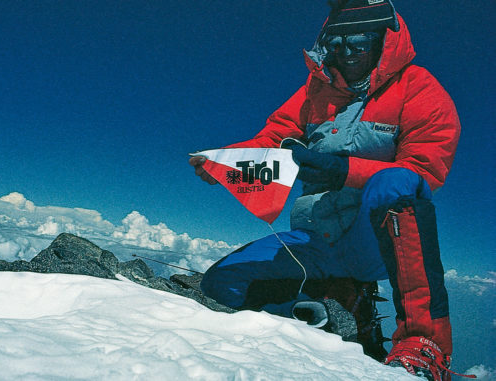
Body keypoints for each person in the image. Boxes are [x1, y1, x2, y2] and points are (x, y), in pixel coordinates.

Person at [189, 1, 462, 380]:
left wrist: (342, 170)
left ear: (384, 41)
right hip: (315, 238)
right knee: (221, 283)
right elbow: (271, 139)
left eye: (360, 43)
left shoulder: (418, 88)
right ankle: (317, 309)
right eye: (337, 43)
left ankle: (424, 343)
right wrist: (223, 161)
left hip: (373, 242)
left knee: (397, 182)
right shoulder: (315, 91)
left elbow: (424, 169)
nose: (347, 54)